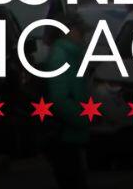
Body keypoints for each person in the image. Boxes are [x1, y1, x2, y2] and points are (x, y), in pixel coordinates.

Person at [44, 14, 92, 189]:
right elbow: (59, 100)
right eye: (80, 32)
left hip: (70, 134)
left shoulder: (70, 54)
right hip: (64, 135)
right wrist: (83, 119)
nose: (83, 37)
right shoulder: (61, 56)